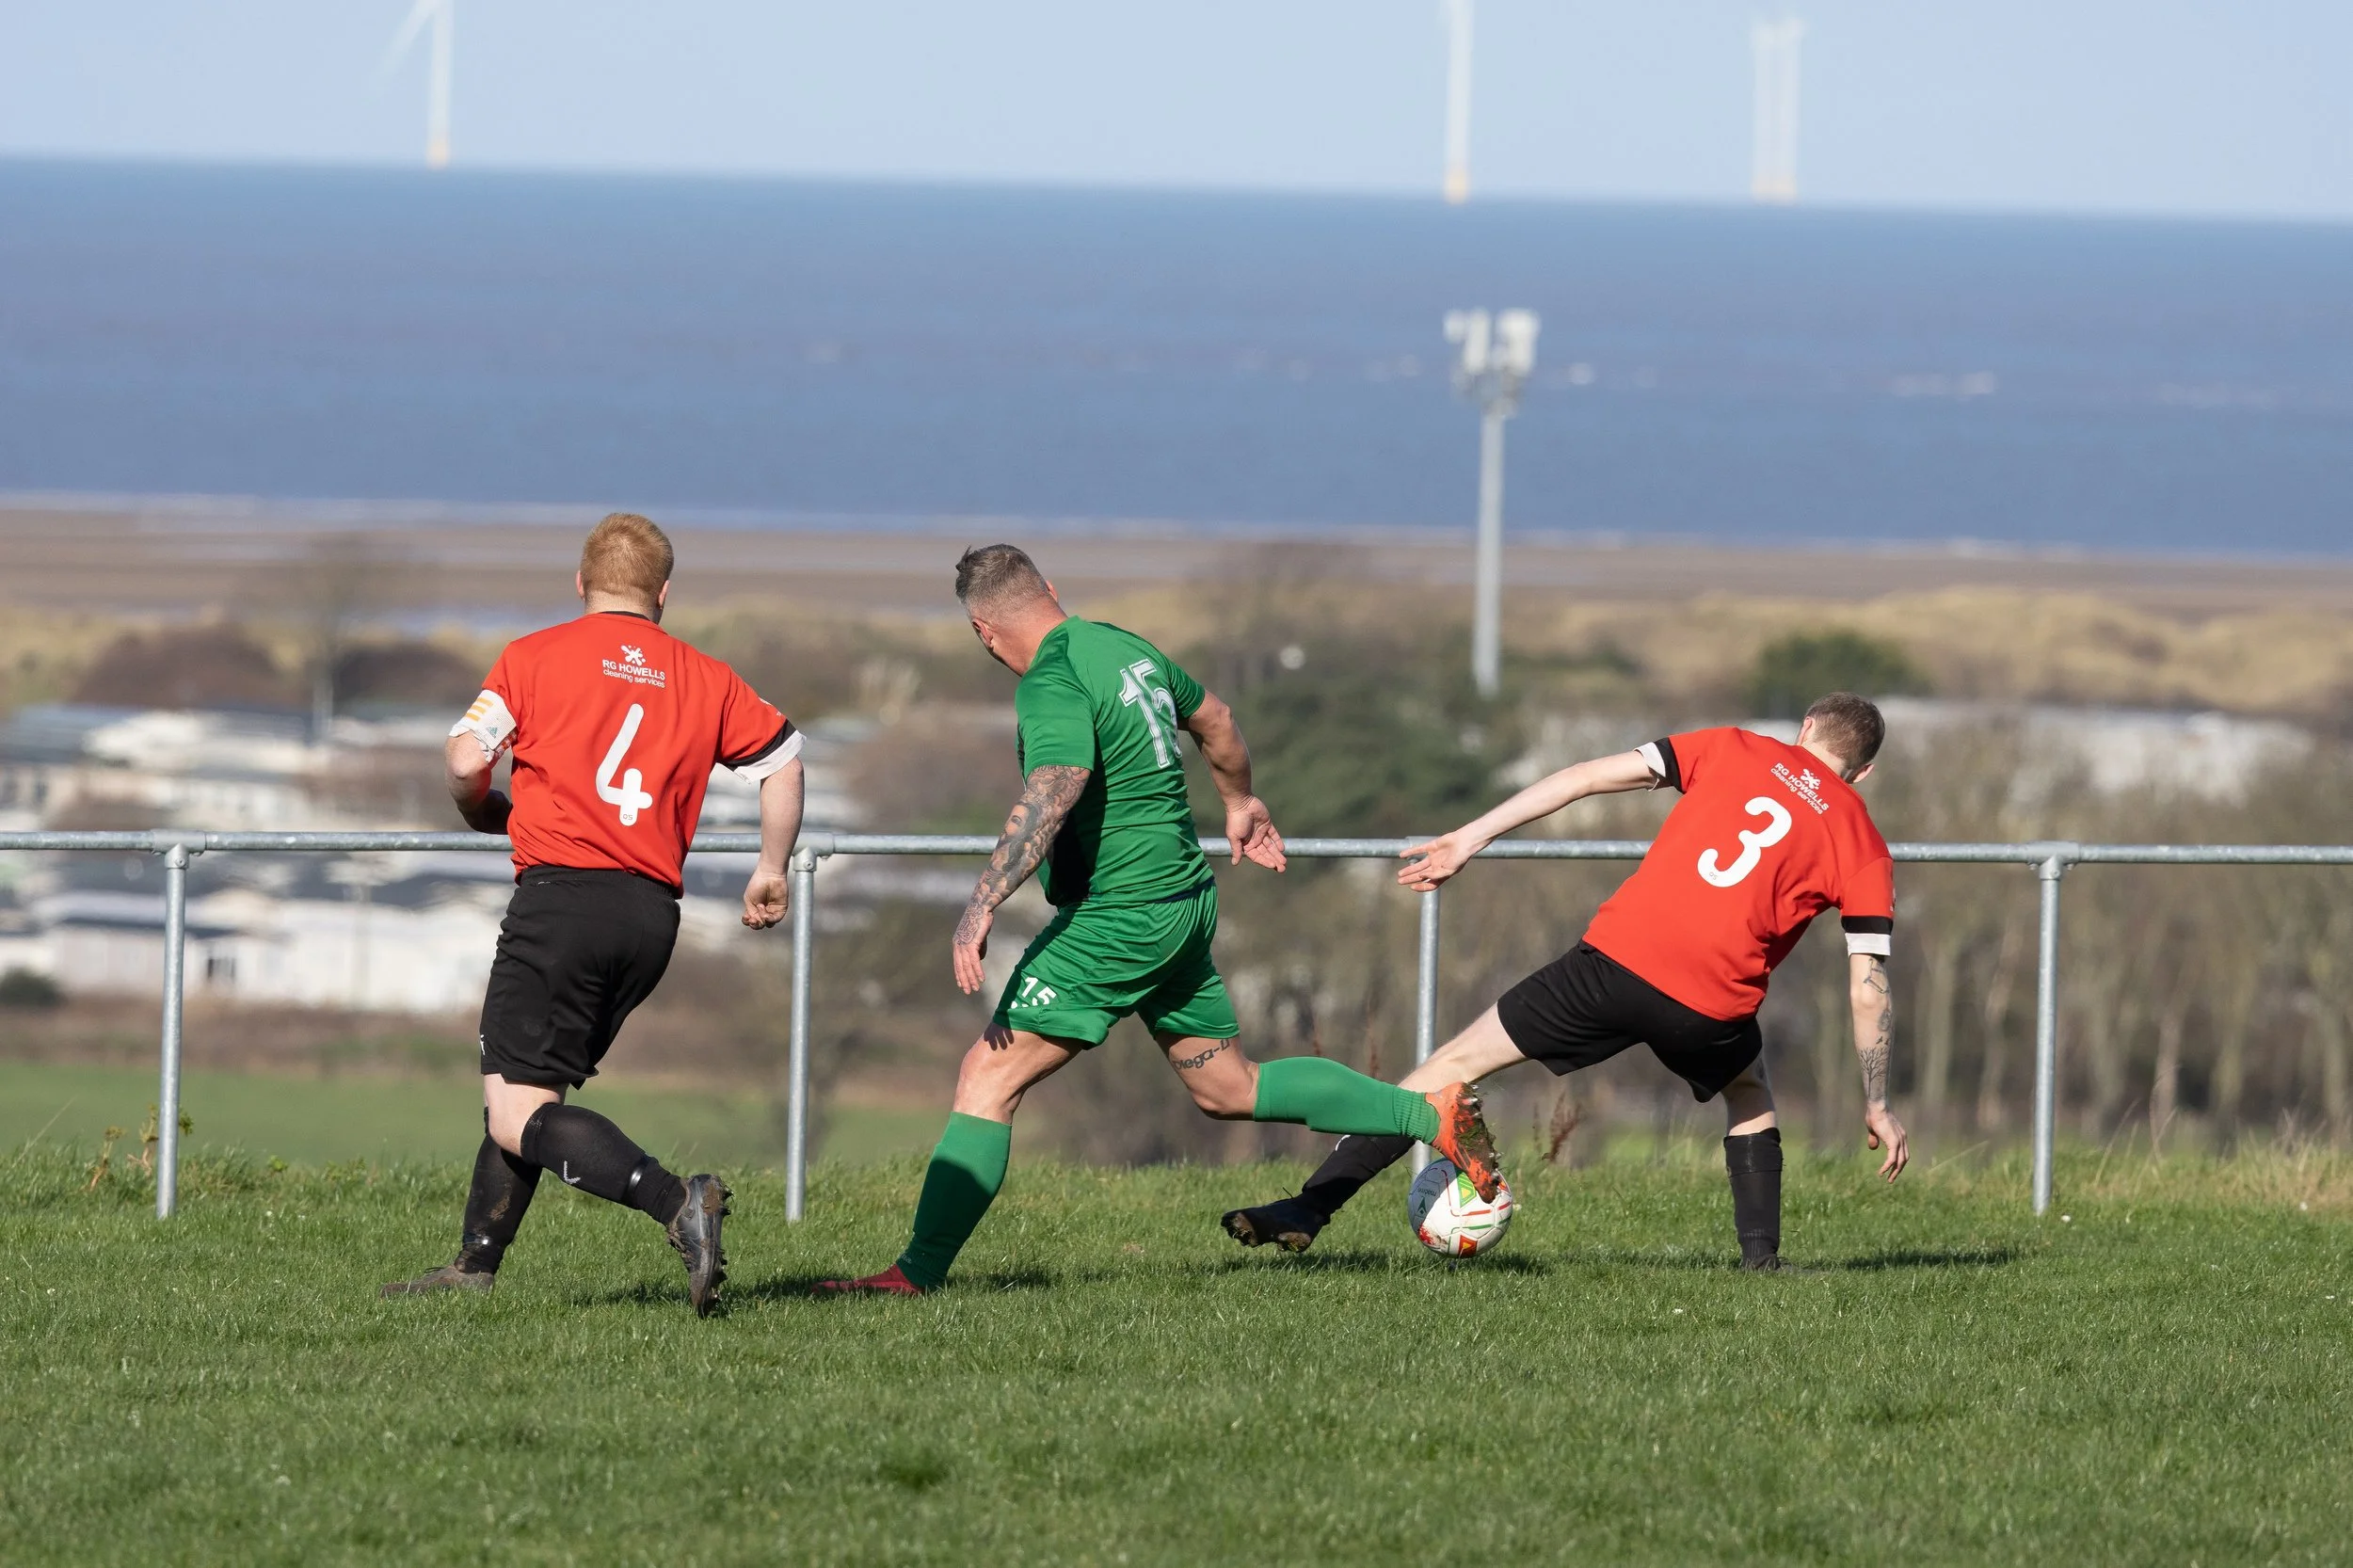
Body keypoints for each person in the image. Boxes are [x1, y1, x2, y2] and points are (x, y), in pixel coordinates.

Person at [817, 544, 1502, 1296]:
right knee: (1229, 1089)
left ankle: (914, 1275)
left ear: (984, 632)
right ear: (1049, 588)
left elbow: (1055, 784)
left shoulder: (1051, 680)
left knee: (987, 1078)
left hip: (1120, 917)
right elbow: (1216, 719)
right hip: (1181, 901)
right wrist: (1240, 801)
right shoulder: (1123, 647)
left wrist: (980, 905)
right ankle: (1426, 1108)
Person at [1223, 695, 1908, 1272]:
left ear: (1808, 727)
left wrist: (1468, 837)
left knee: (1445, 1071)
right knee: (1750, 1093)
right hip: (1708, 1006)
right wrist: (1875, 1102)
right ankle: (1761, 1263)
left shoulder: (1733, 746)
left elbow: (1583, 776)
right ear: (1865, 772)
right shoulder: (1863, 843)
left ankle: (1307, 1208)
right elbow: (1867, 986)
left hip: (1611, 965)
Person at [381, 513, 805, 1316]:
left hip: (562, 903)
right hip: (648, 916)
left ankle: (677, 1200)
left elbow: (466, 759)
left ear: (580, 583)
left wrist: (481, 809)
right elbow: (783, 760)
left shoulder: (533, 657)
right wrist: (770, 868)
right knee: (526, 1092)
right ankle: (475, 1265)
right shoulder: (706, 676)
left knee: (521, 1109)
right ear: (664, 594)